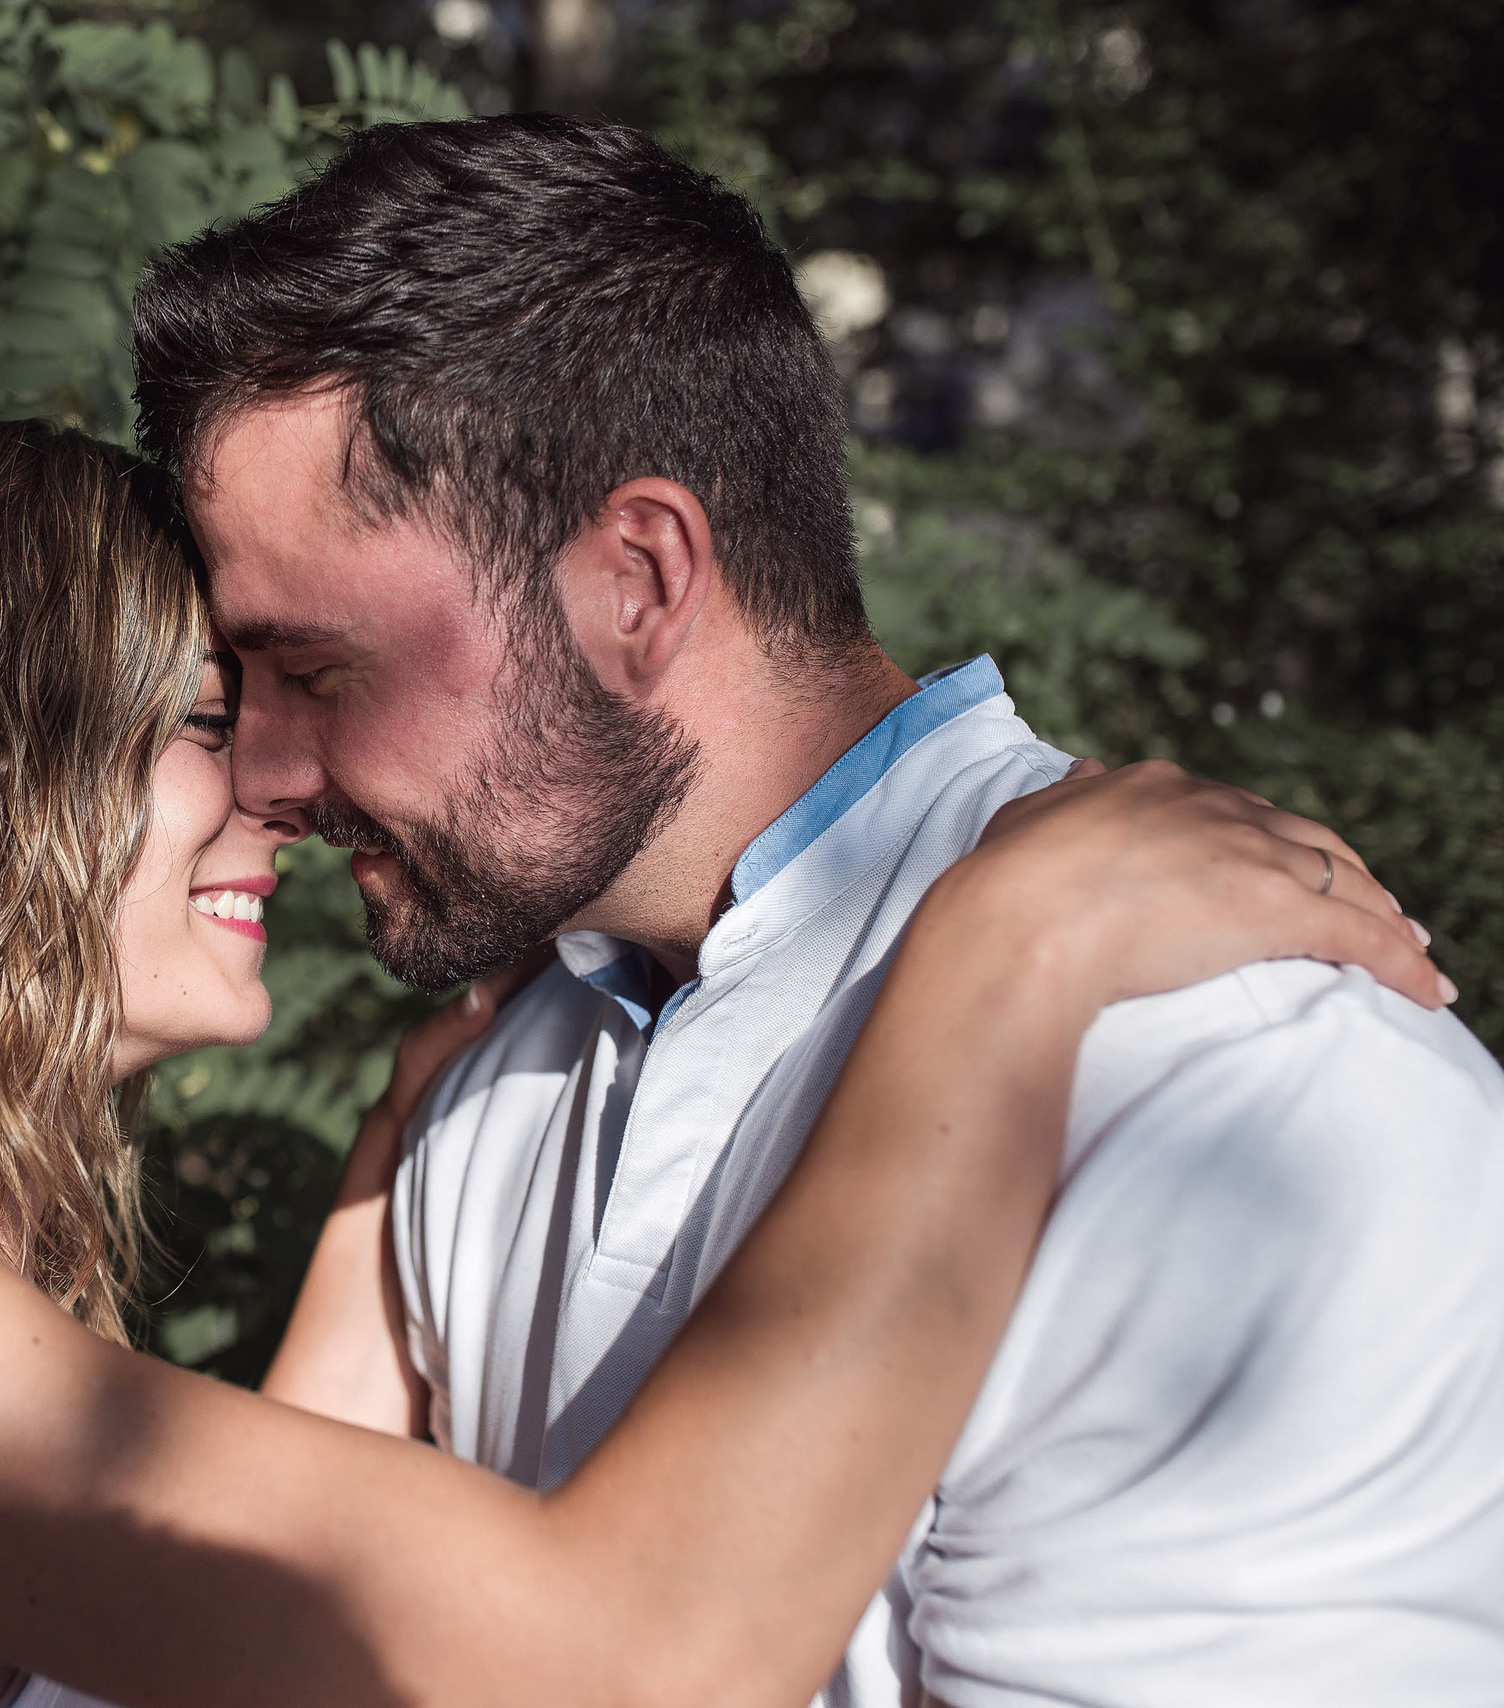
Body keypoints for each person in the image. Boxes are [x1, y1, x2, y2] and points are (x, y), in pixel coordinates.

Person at [0, 401, 1441, 1708]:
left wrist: (402, 1159)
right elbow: (618, 1662)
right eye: (212, 714)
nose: (278, 786)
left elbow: (306, 1601)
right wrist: (1003, 946)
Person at [128, 112, 1504, 1707]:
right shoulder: (489, 1093)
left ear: (634, 580)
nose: (272, 772)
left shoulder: (1235, 1089)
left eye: (319, 666)